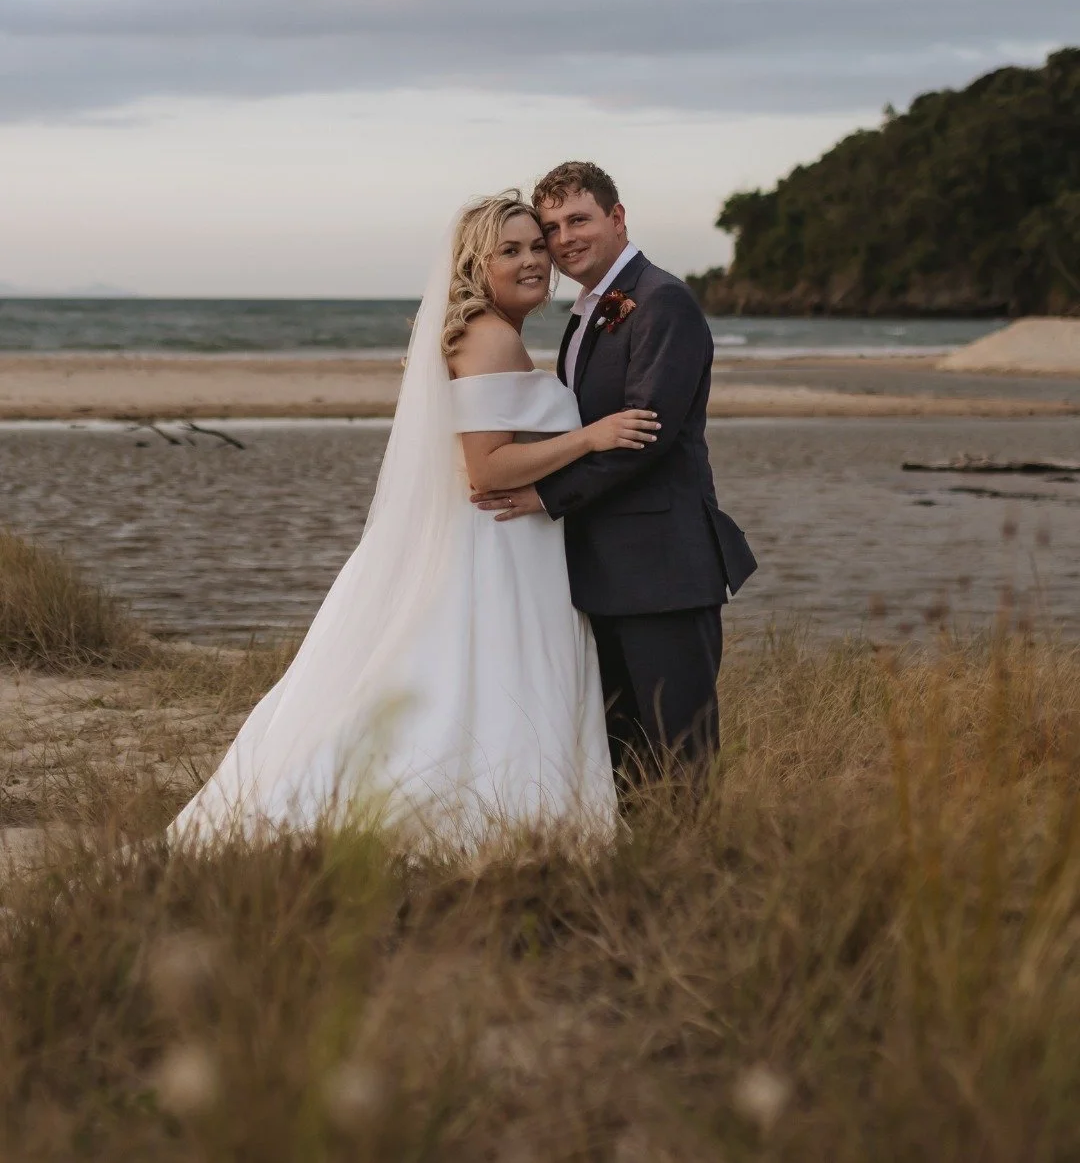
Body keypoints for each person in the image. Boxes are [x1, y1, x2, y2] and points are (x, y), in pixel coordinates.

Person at [169, 191, 659, 848]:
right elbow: (486, 470)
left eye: (536, 247)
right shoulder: (489, 339)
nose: (532, 261)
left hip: (500, 543)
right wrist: (589, 438)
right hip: (494, 546)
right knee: (480, 684)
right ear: (476, 265)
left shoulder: (491, 332)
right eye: (509, 251)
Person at [474, 162, 756, 771]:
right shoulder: (590, 310)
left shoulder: (661, 301)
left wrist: (545, 496)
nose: (564, 239)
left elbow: (644, 437)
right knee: (621, 759)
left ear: (617, 217)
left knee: (680, 757)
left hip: (662, 568)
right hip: (603, 571)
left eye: (579, 220)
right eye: (552, 228)